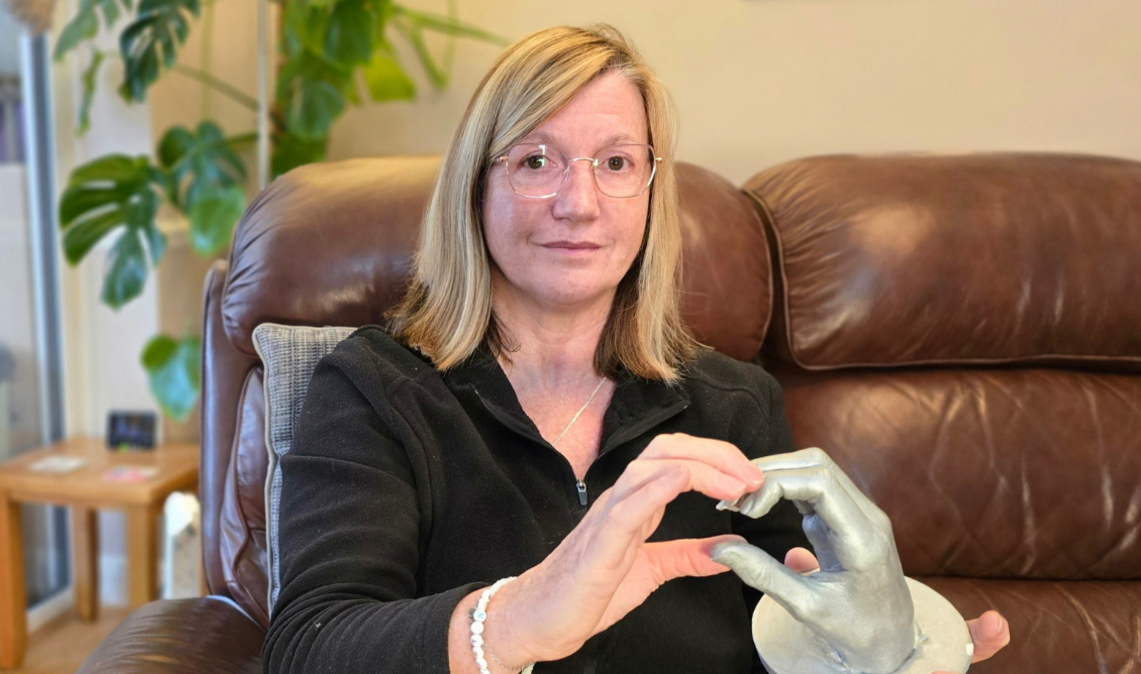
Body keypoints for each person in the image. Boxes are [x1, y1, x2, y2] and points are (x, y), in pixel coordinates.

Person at [262, 24, 1010, 674]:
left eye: (615, 163)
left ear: (651, 192)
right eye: (535, 161)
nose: (578, 203)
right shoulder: (375, 389)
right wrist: (524, 616)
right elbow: (309, 649)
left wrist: (885, 657)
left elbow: (792, 641)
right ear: (474, 189)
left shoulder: (734, 404)